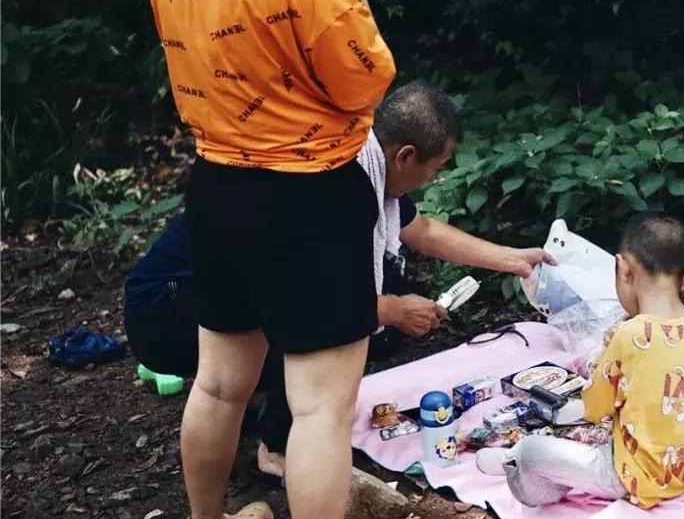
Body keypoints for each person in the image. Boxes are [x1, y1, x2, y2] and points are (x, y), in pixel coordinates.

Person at [147, 0, 427, 519]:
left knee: (217, 384)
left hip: (217, 182)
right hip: (307, 195)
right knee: (319, 409)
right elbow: (366, 80)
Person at [124, 82, 552, 489]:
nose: (434, 180)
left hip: (219, 289)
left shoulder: (359, 158)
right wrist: (393, 310)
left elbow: (421, 230)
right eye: (434, 169)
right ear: (404, 156)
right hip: (166, 307)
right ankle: (277, 449)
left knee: (364, 329)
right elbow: (314, 299)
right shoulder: (340, 186)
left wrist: (512, 259)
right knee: (333, 342)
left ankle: (257, 402)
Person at [476, 212, 684, 509]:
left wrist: (605, 351)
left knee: (530, 452)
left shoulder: (628, 334)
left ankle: (511, 459)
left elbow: (595, 408)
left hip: (633, 476)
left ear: (623, 269)